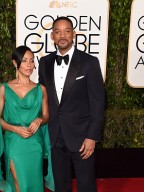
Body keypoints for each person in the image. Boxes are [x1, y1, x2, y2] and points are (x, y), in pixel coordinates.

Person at [39, 16, 105, 192]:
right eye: (58, 31)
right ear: (52, 36)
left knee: (86, 185)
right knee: (61, 186)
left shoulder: (89, 62)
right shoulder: (44, 63)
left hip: (83, 137)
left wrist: (92, 137)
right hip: (56, 136)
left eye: (67, 31)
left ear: (73, 34)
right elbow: (43, 97)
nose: (62, 35)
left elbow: (98, 102)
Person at [0, 45, 54, 192]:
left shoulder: (41, 89)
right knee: (19, 182)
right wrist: (15, 129)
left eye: (32, 61)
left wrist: (39, 120)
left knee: (34, 183)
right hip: (14, 142)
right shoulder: (3, 89)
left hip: (35, 142)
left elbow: (46, 116)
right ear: (15, 63)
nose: (29, 65)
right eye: (25, 60)